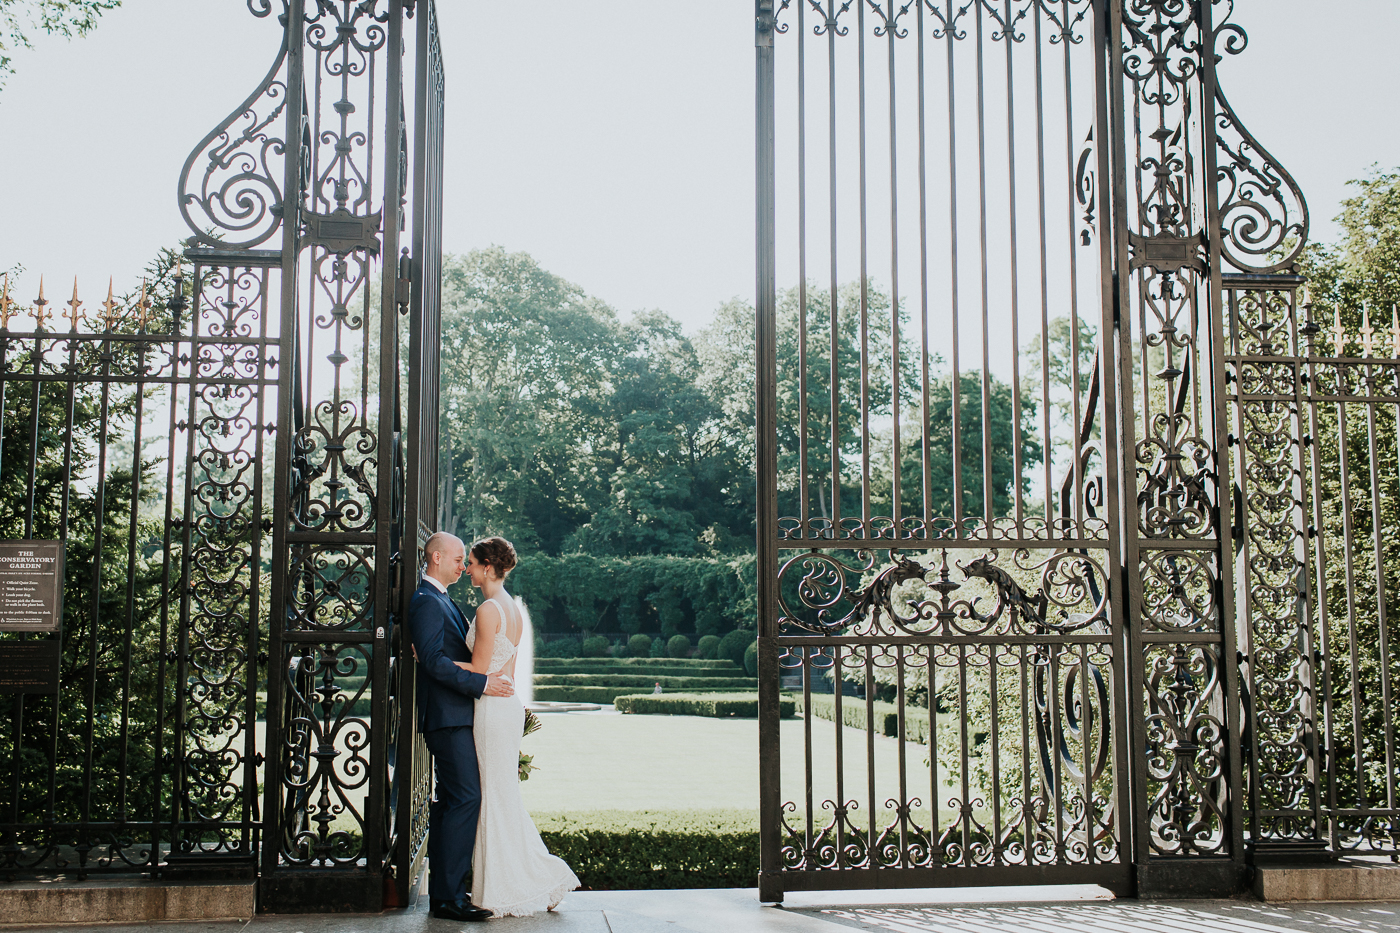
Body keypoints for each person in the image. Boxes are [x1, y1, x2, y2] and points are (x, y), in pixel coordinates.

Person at [453, 536, 580, 917]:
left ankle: (524, 881)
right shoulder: (512, 609)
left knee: (493, 796)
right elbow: (498, 668)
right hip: (505, 707)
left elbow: (479, 670)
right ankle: (526, 878)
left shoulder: (489, 610)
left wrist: (431, 659)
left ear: (488, 566)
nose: (467, 569)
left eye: (472, 563)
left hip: (492, 709)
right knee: (500, 794)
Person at [408, 532, 515, 923]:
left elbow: (455, 656)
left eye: (465, 561)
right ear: (436, 558)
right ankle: (448, 898)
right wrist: (483, 683)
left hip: (459, 716)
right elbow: (434, 663)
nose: (463, 565)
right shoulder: (426, 602)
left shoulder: (442, 601)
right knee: (466, 798)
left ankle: (446, 892)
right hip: (447, 717)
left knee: (454, 800)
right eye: (457, 559)